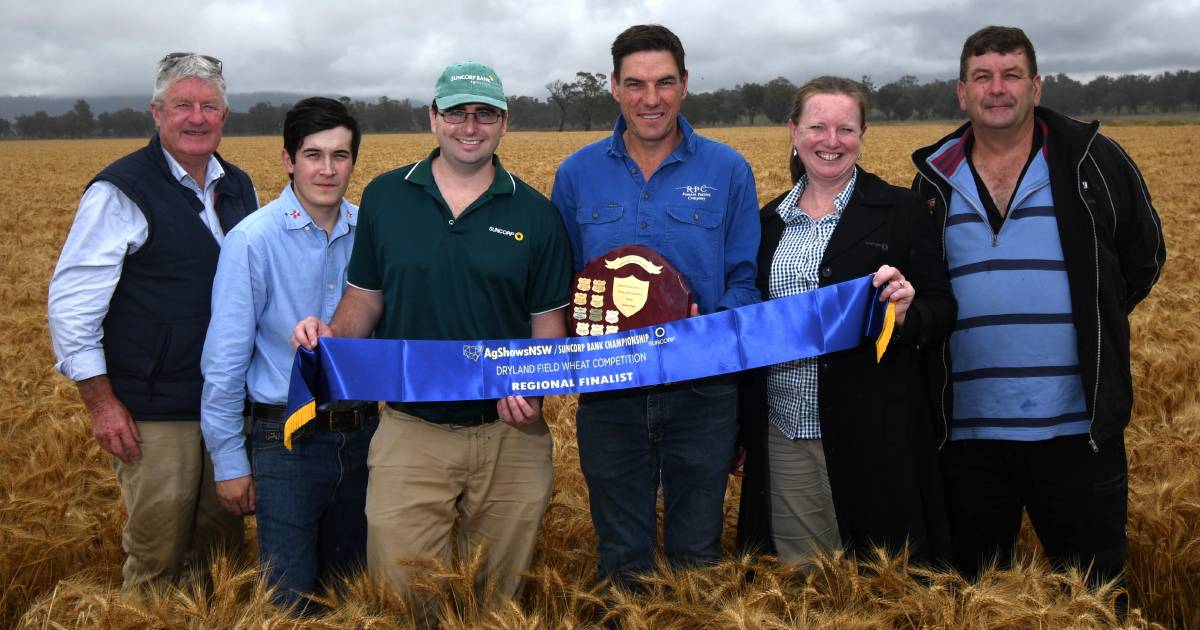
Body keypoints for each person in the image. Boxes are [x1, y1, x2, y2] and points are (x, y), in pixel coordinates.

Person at [292, 62, 573, 612]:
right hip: (408, 431)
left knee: (495, 607)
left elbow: (548, 326)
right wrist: (332, 336)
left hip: (509, 437)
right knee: (401, 600)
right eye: (457, 113)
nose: (470, 126)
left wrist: (533, 393)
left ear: (504, 123)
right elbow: (365, 299)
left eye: (484, 114)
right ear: (433, 118)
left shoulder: (536, 214)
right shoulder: (386, 197)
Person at [911, 26, 1165, 587]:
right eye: (982, 77)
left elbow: (1142, 259)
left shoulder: (1092, 162)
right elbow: (922, 286)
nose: (996, 89)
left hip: (1077, 432)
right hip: (967, 437)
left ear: (1037, 86)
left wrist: (1088, 313)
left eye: (1011, 75)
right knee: (969, 597)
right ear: (961, 92)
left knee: (1094, 595)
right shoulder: (933, 178)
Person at [550, 24, 761, 589]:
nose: (651, 98)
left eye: (665, 82)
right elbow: (562, 285)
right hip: (611, 396)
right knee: (621, 557)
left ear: (685, 85)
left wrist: (705, 326)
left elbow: (745, 281)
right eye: (636, 83)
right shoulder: (576, 175)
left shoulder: (727, 170)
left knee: (698, 554)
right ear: (615, 87)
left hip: (703, 394)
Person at [47, 52, 255, 589]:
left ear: (224, 117)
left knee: (221, 550)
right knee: (158, 552)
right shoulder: (120, 190)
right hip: (155, 410)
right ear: (156, 112)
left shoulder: (240, 186)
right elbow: (72, 306)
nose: (196, 117)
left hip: (226, 403)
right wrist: (100, 402)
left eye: (209, 106)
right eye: (182, 104)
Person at [734, 77, 954, 566]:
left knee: (884, 580)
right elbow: (749, 326)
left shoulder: (901, 210)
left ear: (862, 134)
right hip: (787, 428)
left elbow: (941, 308)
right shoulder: (768, 224)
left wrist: (907, 313)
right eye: (817, 127)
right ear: (793, 132)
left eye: (845, 129)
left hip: (875, 435)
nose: (831, 141)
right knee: (804, 580)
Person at [200, 97, 374, 610]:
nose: (327, 169)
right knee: (288, 598)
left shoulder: (371, 234)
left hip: (364, 436)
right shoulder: (252, 241)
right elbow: (224, 361)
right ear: (287, 160)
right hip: (284, 441)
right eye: (313, 154)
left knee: (354, 593)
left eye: (340, 155)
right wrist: (230, 461)